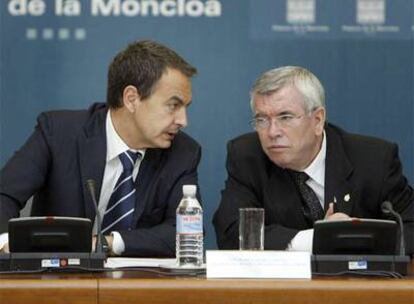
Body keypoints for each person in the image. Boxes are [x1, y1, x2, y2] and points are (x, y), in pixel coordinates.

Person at [0, 40, 201, 257]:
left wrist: (105, 243)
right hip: (55, 279)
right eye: (173, 106)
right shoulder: (58, 133)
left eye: (185, 108)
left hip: (135, 285)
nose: (183, 120)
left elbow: (184, 232)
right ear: (131, 99)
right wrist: (5, 244)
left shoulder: (183, 153)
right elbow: (4, 194)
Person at [213, 66, 414, 255]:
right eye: (261, 119)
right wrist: (318, 239)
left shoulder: (374, 159)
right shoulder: (247, 156)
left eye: (285, 117)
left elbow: (410, 228)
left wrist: (351, 239)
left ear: (317, 120)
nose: (272, 132)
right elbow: (232, 233)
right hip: (282, 290)